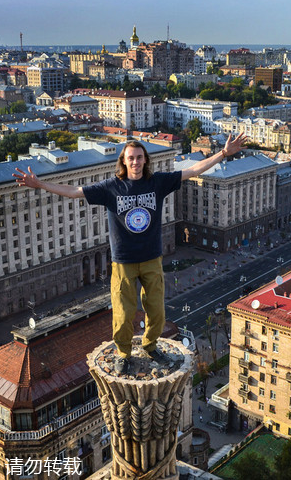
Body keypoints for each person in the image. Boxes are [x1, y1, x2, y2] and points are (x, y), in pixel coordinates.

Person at [14, 135, 246, 374]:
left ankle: (150, 344)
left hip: (151, 258)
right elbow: (74, 191)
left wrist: (223, 154)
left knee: (156, 310)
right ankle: (123, 353)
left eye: (139, 157)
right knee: (123, 313)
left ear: (145, 160)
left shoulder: (157, 182)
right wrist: (40, 185)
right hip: (123, 261)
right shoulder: (111, 187)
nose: (135, 162)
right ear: (123, 162)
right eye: (130, 158)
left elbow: (193, 170)